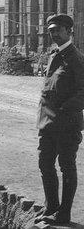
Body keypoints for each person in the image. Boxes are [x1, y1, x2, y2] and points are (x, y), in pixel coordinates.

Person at [35, 14, 84, 225]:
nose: (54, 34)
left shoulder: (76, 58)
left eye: (58, 30)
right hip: (46, 123)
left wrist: (64, 109)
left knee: (67, 167)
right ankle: (51, 207)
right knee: (45, 164)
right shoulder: (53, 55)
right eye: (51, 30)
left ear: (69, 31)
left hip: (66, 124)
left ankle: (64, 213)